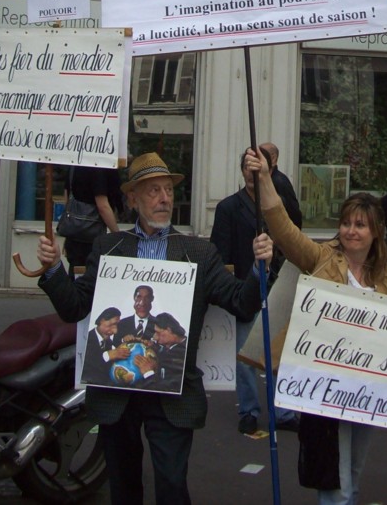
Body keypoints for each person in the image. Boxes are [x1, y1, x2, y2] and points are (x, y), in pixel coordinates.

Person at [36, 151, 272, 505]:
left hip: (172, 394)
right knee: (123, 487)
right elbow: (75, 307)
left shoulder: (197, 252)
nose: (164, 199)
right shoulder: (108, 248)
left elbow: (241, 302)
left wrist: (258, 269)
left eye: (168, 190)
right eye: (153, 191)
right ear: (132, 199)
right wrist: (53, 269)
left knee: (172, 485)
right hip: (117, 391)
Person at [247, 145, 387, 505]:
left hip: (365, 385)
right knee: (335, 480)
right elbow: (282, 226)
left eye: (360, 225)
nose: (351, 230)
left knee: (354, 471)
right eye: (346, 223)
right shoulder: (321, 257)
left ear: (376, 231)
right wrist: (265, 178)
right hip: (325, 384)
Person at [210, 145, 301, 435]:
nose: (252, 174)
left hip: (276, 285)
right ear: (241, 171)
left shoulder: (278, 204)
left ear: (269, 171)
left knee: (279, 351)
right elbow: (220, 253)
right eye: (247, 168)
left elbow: (293, 238)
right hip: (244, 288)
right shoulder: (228, 207)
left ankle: (284, 410)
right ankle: (248, 410)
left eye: (257, 168)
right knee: (244, 355)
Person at [60, 164, 122, 275]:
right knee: (90, 280)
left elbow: (67, 198)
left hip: (75, 236)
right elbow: (102, 205)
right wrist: (117, 235)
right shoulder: (98, 168)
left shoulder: (75, 165)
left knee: (76, 278)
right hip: (92, 239)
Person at [83, 306, 123, 385]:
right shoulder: (86, 339)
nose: (115, 331)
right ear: (102, 320)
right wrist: (107, 356)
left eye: (117, 325)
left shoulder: (109, 342)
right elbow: (85, 365)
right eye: (112, 324)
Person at [152, 312, 189, 391]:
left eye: (158, 332)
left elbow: (170, 386)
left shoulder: (184, 353)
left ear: (169, 330)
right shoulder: (165, 348)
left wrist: (148, 374)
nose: (154, 337)